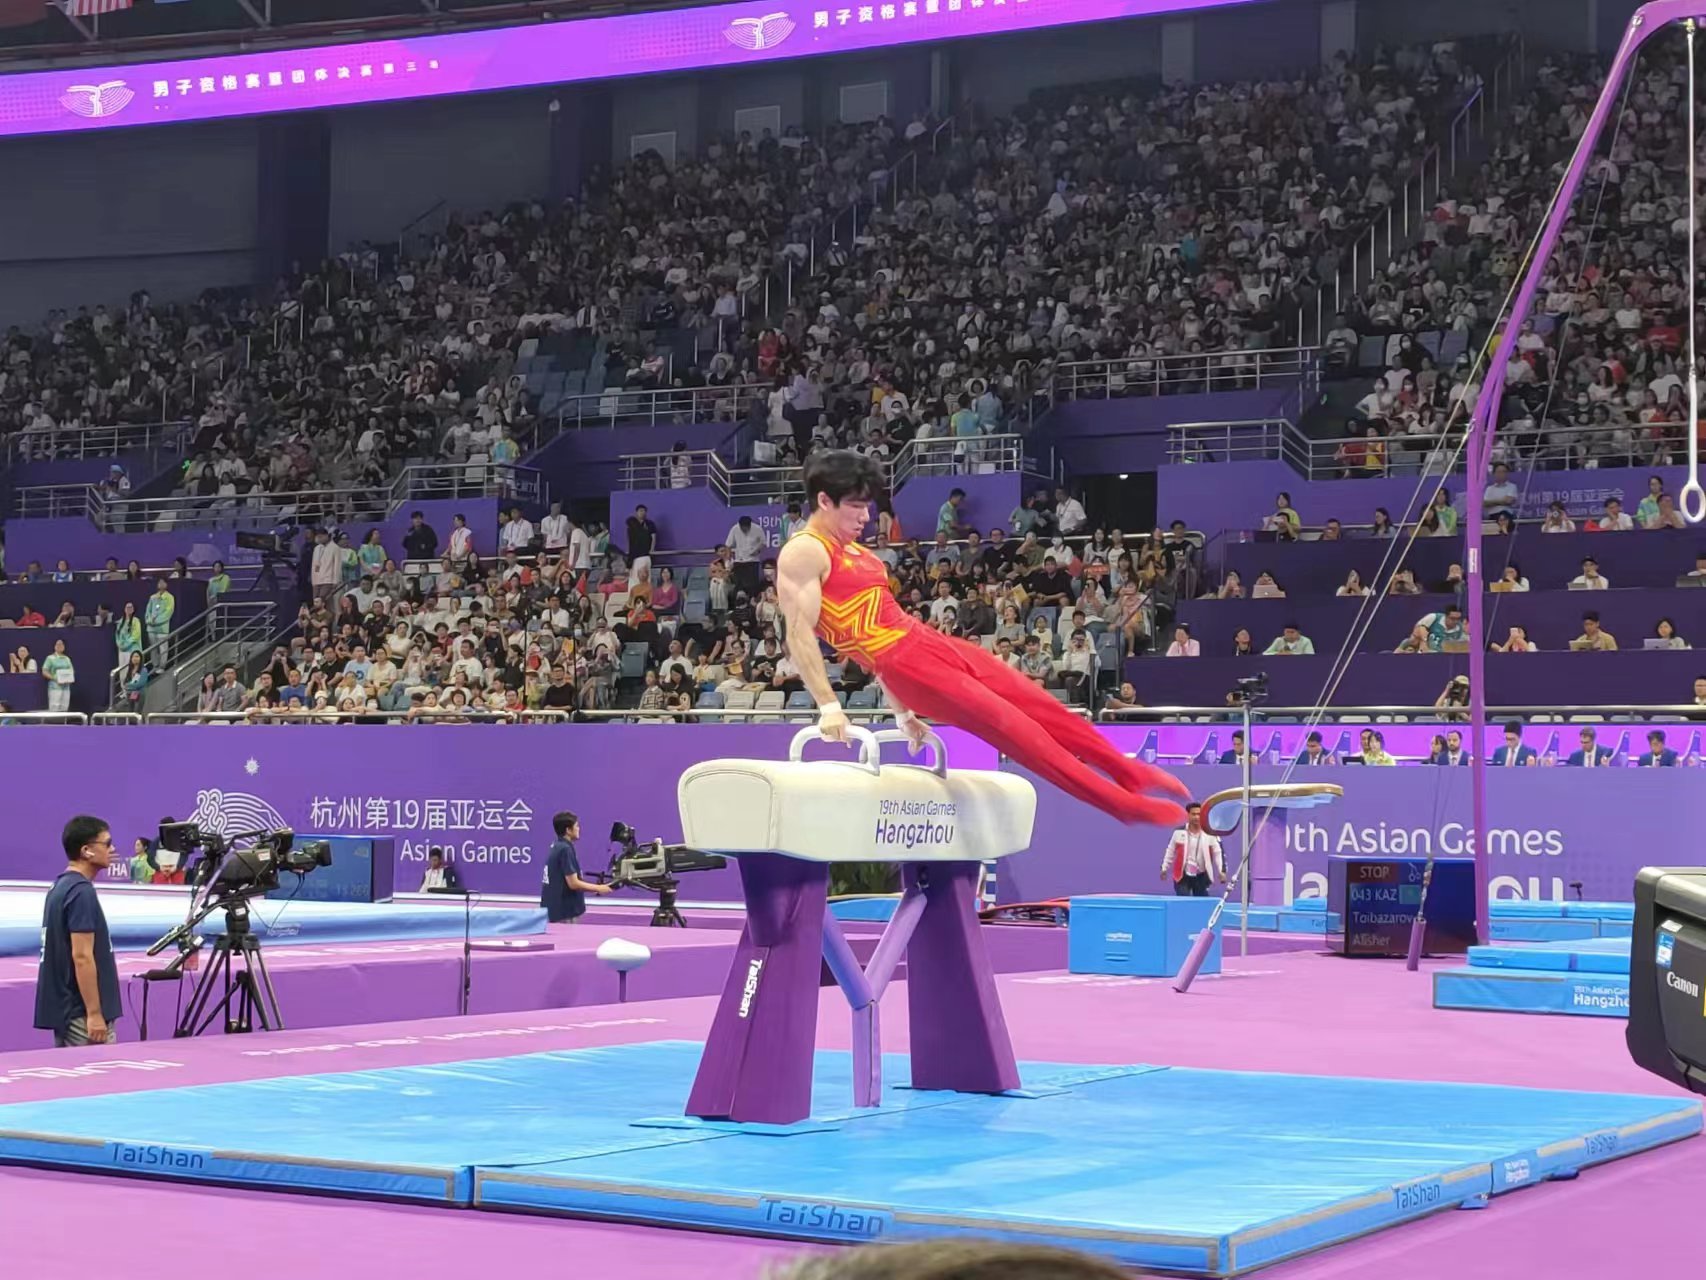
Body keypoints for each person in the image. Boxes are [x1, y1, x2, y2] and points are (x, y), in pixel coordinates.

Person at [778, 451, 1186, 825]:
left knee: (1041, 705)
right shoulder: (805, 552)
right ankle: (1121, 806)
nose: (866, 516)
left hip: (929, 642)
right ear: (824, 501)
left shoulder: (861, 554)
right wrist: (829, 705)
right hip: (906, 664)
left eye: (867, 505)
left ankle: (1127, 771)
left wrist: (902, 715)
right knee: (1017, 731)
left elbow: (873, 634)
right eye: (855, 506)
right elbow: (799, 635)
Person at [34, 815, 121, 1047]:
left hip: (68, 1010)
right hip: (82, 1014)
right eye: (107, 843)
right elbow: (82, 956)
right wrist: (94, 1013)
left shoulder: (59, 887)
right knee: (101, 1071)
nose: (112, 849)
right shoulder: (81, 892)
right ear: (86, 851)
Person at [541, 810, 611, 923]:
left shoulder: (558, 846)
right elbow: (573, 883)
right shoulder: (565, 849)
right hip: (564, 912)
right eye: (576, 826)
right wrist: (600, 888)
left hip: (556, 909)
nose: (579, 829)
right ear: (568, 830)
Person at [1160, 803, 1225, 897]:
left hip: (1201, 875)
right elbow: (1170, 851)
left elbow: (1218, 853)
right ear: (1188, 815)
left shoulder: (1210, 834)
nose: (1196, 817)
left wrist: (1221, 871)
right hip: (1182, 876)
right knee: (1183, 901)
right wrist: (1164, 868)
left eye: (1199, 814)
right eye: (1193, 814)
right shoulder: (1178, 832)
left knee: (1201, 902)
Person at [41, 638, 73, 713]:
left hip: (66, 687)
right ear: (54, 646)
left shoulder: (67, 659)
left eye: (61, 644)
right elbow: (44, 671)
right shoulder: (50, 658)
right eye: (58, 644)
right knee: (55, 706)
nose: (59, 646)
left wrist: (70, 678)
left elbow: (71, 670)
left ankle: (64, 720)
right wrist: (54, 678)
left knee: (65, 706)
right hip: (55, 687)